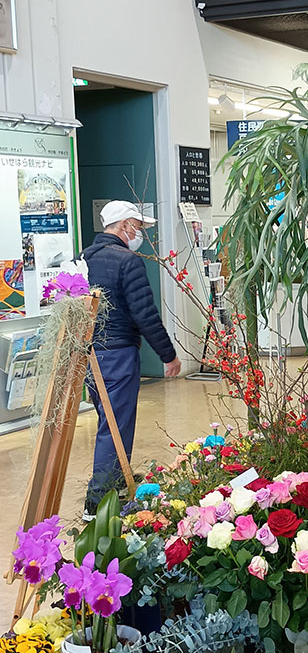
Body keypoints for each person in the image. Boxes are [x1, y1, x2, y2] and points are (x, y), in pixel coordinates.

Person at [83, 200, 181, 518]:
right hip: (118, 353)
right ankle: (98, 500)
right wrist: (168, 354)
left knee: (107, 419)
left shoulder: (84, 258)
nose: (139, 233)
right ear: (124, 225)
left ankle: (116, 481)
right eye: (137, 227)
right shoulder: (127, 260)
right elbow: (144, 313)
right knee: (116, 425)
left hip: (89, 355)